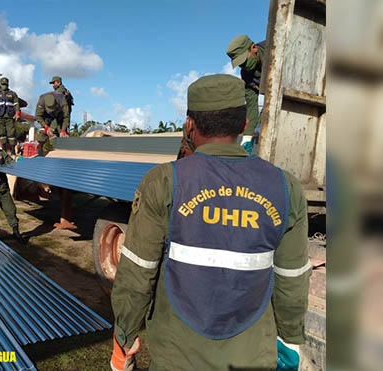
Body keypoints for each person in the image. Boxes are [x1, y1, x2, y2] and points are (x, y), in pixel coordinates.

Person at [109, 74, 310, 371]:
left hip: (177, 357)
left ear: (189, 125)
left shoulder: (164, 182)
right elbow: (292, 278)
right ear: (243, 125)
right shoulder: (286, 187)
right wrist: (290, 339)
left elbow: (138, 273)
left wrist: (124, 339)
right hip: (253, 358)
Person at [226, 35, 267, 154]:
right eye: (240, 64)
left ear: (254, 48)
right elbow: (251, 106)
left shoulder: (273, 49)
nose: (243, 66)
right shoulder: (246, 76)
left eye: (244, 61)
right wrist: (247, 139)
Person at [0, 77, 21, 156]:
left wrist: (17, 113)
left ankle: (13, 150)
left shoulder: (12, 94)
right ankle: (4, 150)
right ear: (0, 85)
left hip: (10, 116)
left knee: (11, 134)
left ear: (8, 84)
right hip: (0, 116)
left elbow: (16, 104)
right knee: (2, 133)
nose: (4, 86)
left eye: (5, 84)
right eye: (3, 84)